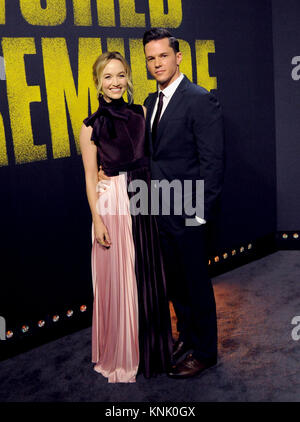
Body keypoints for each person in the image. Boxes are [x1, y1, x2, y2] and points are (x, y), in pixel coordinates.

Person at [79, 51, 172, 383]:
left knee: (147, 275)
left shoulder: (142, 113)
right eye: (108, 77)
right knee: (120, 282)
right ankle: (124, 354)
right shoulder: (90, 127)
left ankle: (154, 350)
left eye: (120, 75)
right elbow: (91, 178)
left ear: (128, 78)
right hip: (114, 205)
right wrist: (98, 221)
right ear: (98, 82)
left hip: (143, 198)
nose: (115, 82)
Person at [142, 28, 225, 378]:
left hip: (189, 212)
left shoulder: (198, 98)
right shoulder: (150, 103)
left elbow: (213, 162)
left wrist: (198, 214)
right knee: (175, 283)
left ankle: (205, 353)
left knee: (195, 283)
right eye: (151, 58)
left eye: (163, 55)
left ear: (178, 57)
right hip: (158, 210)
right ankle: (187, 338)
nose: (157, 63)